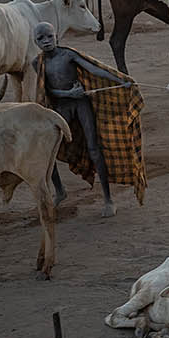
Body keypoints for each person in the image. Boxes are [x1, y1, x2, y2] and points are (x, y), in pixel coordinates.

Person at [35, 22, 134, 216]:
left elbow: (95, 69)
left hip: (81, 103)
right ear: (35, 42)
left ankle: (108, 199)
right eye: (41, 38)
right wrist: (67, 94)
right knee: (48, 152)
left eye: (49, 36)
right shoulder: (37, 63)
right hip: (62, 105)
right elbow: (46, 92)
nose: (46, 41)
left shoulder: (68, 55)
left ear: (57, 37)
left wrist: (120, 80)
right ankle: (60, 191)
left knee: (94, 149)